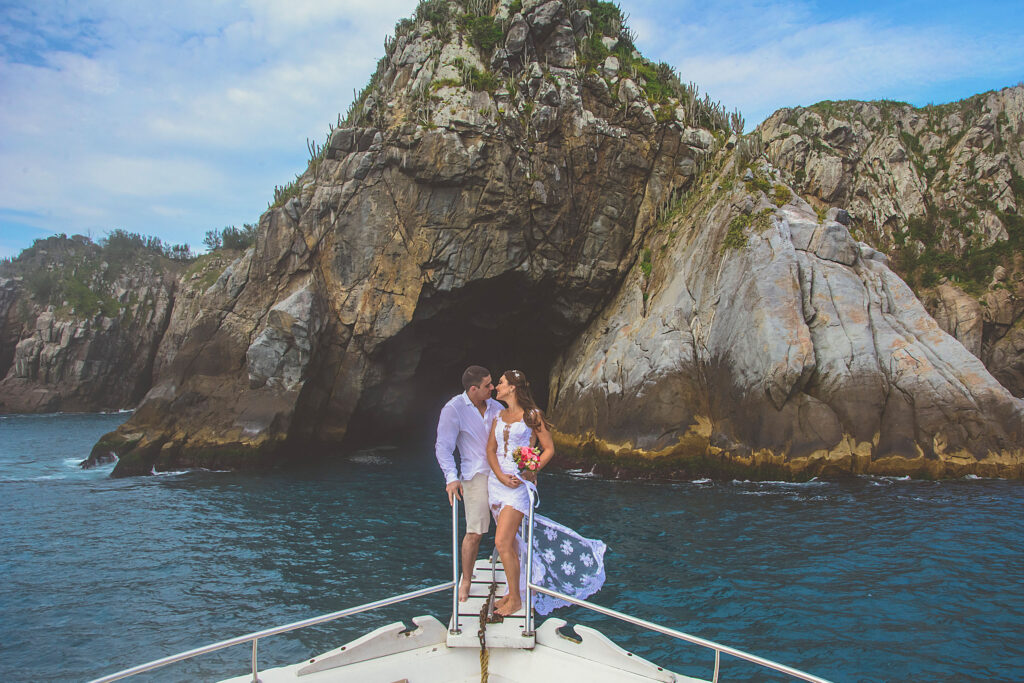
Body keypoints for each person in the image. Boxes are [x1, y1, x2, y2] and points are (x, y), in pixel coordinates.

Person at [486, 369, 606, 617]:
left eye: (501, 383)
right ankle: (512, 592)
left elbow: (548, 448)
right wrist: (498, 475)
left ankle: (516, 601)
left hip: (518, 486)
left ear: (513, 388)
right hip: (496, 483)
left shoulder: (533, 416)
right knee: (513, 543)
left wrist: (532, 470)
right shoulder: (498, 415)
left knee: (501, 542)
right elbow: (490, 450)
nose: (496, 387)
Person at [435, 365, 504, 602]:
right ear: (473, 389)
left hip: (502, 474)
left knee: (510, 530)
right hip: (475, 475)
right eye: (488, 385)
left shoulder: (498, 407)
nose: (493, 388)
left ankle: (515, 581)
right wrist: (451, 479)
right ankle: (466, 580)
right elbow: (443, 447)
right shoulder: (454, 409)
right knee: (474, 533)